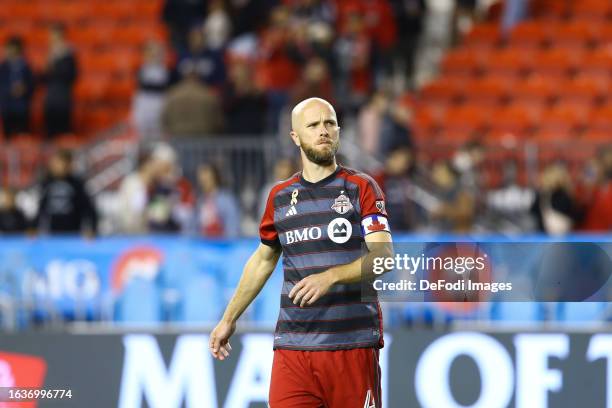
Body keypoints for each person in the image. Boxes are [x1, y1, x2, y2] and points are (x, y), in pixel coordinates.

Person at [209, 97, 393, 407]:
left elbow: (384, 257)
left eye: (329, 123)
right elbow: (263, 259)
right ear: (295, 137)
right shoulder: (280, 197)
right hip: (293, 348)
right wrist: (229, 318)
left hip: (351, 344)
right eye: (313, 125)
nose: (323, 131)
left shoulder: (361, 188)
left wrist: (331, 277)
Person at [35, 150, 97, 235]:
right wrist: (33, 227)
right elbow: (41, 208)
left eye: (59, 163)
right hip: (52, 234)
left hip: (73, 233)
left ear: (68, 165)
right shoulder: (47, 183)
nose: (55, 166)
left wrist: (92, 228)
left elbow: (88, 208)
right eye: (54, 163)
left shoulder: (76, 184)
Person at [161, 68, 224, 136]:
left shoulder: (173, 93)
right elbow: (218, 122)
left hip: (178, 135)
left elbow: (164, 118)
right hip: (202, 137)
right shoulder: (207, 94)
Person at [42, 24, 78, 138]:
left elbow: (71, 75)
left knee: (63, 131)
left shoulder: (68, 54)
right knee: (50, 129)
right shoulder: (50, 54)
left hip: (62, 95)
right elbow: (44, 77)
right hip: (51, 96)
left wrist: (56, 66)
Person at [131, 41, 170, 141]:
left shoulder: (166, 72)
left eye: (157, 53)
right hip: (144, 104)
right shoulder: (141, 71)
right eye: (151, 53)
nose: (154, 56)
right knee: (142, 135)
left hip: (159, 103)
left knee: (158, 136)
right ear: (145, 55)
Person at [0, 37, 34, 137]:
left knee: (22, 136)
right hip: (7, 106)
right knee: (8, 136)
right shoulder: (3, 67)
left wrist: (24, 88)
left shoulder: (26, 66)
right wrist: (10, 90)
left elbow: (31, 84)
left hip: (22, 107)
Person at [194, 163, 240, 237]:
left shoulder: (226, 200)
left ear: (215, 178)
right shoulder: (200, 201)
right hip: (203, 245)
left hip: (222, 245)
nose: (204, 183)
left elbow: (232, 227)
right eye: (202, 180)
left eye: (207, 180)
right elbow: (196, 227)